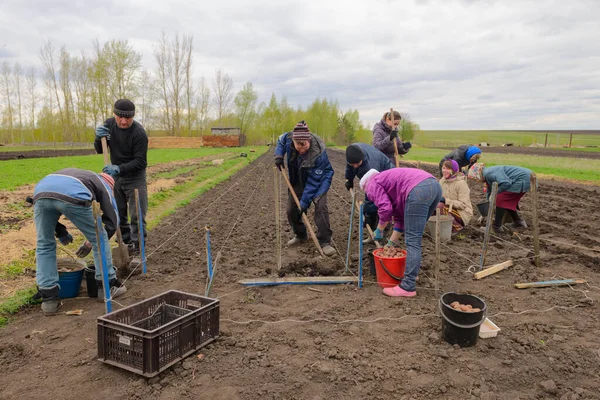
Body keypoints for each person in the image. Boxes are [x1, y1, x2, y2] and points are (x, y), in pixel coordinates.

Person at [32, 168, 126, 315]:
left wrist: (61, 232)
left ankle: (48, 299)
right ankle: (108, 286)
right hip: (72, 196)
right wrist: (94, 240)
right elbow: (112, 220)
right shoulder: (104, 183)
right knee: (99, 239)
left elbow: (50, 201)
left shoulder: (79, 175)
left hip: (40, 194)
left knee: (44, 244)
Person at [360, 168, 442, 297]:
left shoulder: (371, 184)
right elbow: (401, 219)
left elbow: (385, 209)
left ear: (364, 186)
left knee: (413, 241)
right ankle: (411, 274)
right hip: (434, 186)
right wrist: (390, 243)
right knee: (415, 236)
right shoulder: (389, 183)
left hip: (418, 189)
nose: (369, 196)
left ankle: (408, 286)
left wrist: (379, 229)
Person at [94, 99, 148, 255]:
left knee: (137, 214)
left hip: (135, 178)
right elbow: (99, 149)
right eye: (120, 117)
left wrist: (119, 168)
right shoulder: (109, 125)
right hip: (115, 178)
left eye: (128, 118)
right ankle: (125, 244)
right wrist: (98, 138)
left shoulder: (139, 133)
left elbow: (141, 162)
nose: (123, 121)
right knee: (118, 213)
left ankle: (139, 248)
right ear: (114, 114)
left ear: (133, 116)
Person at [274, 121, 336, 257]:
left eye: (305, 145)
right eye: (298, 145)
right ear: (294, 141)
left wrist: (304, 203)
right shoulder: (289, 138)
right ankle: (300, 234)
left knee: (320, 207)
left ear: (309, 140)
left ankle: (325, 241)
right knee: (291, 209)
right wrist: (279, 155)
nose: (301, 149)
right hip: (298, 178)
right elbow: (280, 140)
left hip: (320, 179)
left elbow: (313, 182)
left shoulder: (317, 152)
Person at [344, 143, 395, 242]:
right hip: (376, 176)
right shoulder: (352, 152)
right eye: (352, 164)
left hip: (387, 176)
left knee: (383, 206)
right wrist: (349, 179)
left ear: (362, 159)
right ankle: (373, 236)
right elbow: (350, 167)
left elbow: (371, 195)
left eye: (357, 164)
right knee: (373, 209)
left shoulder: (370, 166)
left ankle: (381, 237)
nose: (355, 166)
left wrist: (367, 213)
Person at [467, 163, 533, 233]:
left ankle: (496, 227)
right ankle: (518, 222)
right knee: (505, 200)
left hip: (524, 179)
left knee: (500, 199)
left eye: (474, 178)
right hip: (525, 178)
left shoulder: (488, 174)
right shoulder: (486, 176)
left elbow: (506, 183)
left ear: (477, 174)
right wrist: (483, 215)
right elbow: (489, 193)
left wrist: (494, 193)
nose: (476, 181)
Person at [438, 159, 473, 233]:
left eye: (448, 169)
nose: (444, 170)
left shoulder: (461, 183)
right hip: (449, 209)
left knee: (440, 206)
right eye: (443, 168)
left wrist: (445, 200)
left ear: (454, 170)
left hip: (462, 213)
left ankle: (457, 227)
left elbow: (463, 205)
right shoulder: (442, 181)